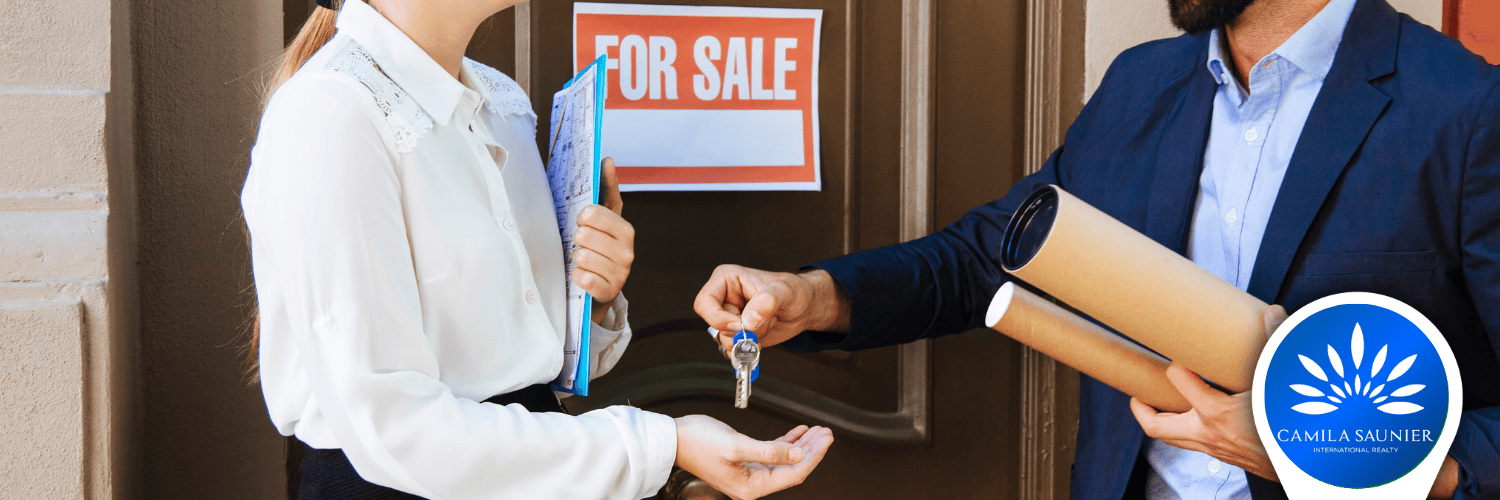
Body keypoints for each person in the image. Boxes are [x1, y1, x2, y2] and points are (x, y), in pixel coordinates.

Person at [694, 0, 1500, 498]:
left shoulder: (1466, 110)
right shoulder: (1139, 83)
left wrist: (1338, 462)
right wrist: (813, 295)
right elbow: (987, 259)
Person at [241, 0, 833, 498]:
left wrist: (594, 301)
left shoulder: (503, 103)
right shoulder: (331, 115)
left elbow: (533, 359)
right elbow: (395, 429)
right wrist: (666, 442)